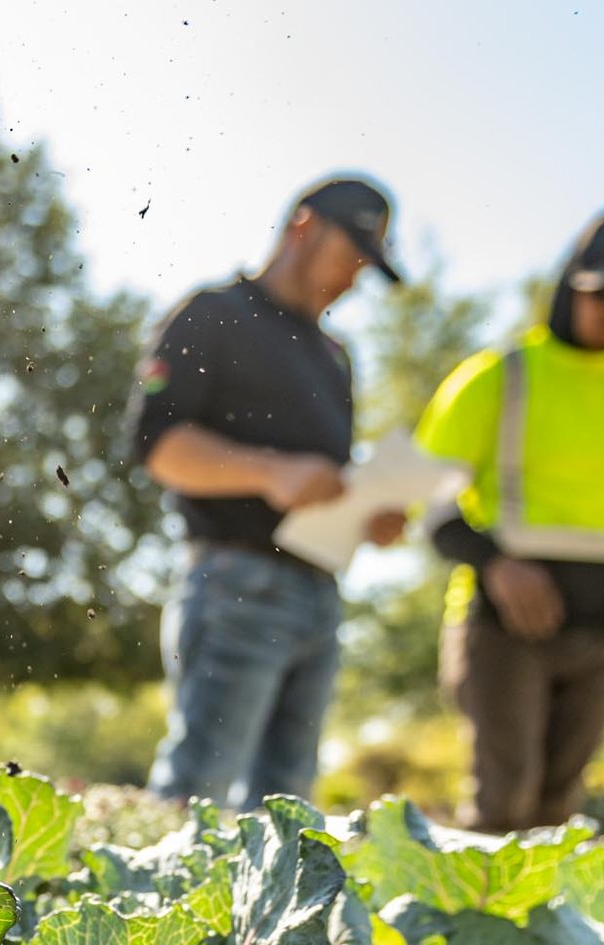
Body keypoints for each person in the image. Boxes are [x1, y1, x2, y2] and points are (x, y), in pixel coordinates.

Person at [416, 211, 604, 833]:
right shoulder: (500, 376)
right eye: (602, 291)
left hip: (603, 627)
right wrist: (497, 566)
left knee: (558, 813)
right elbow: (427, 496)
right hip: (503, 626)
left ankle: (534, 932)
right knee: (504, 803)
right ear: (570, 289)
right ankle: (465, 925)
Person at [129, 178, 405, 810]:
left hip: (320, 596)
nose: (356, 276)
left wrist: (368, 515)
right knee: (197, 794)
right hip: (237, 586)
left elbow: (325, 478)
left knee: (288, 811)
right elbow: (159, 445)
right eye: (352, 253)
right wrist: (270, 472)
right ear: (303, 228)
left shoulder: (336, 356)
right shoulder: (213, 315)